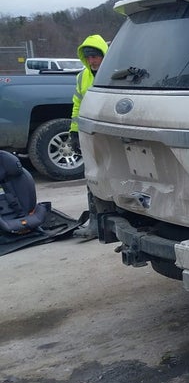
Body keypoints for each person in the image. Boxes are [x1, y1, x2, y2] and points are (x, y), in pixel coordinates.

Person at [70, 34, 109, 239]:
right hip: (90, 135)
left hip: (110, 136)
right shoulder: (81, 77)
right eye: (89, 57)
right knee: (93, 180)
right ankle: (96, 223)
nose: (93, 61)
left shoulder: (114, 73)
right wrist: (74, 132)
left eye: (96, 56)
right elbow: (78, 105)